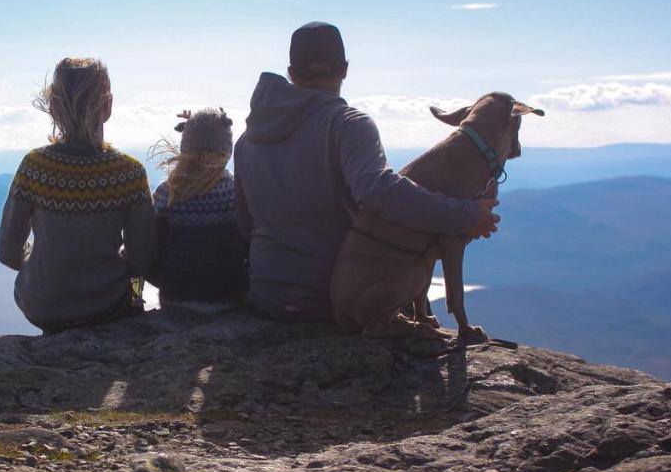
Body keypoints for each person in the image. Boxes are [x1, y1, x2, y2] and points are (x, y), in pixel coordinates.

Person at [233, 22, 500, 322]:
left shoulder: (247, 140)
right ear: (344, 69)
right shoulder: (347, 125)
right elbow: (379, 192)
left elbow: (244, 226)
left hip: (267, 297)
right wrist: (465, 215)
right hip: (337, 299)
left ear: (291, 73)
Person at [0, 57, 157, 333]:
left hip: (42, 306)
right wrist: (134, 300)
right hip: (109, 307)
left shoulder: (35, 166)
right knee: (134, 286)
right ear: (107, 105)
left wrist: (43, 263)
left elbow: (8, 253)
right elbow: (141, 259)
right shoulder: (129, 173)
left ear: (53, 106)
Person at [147, 108, 249, 310]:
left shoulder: (167, 193)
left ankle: (142, 298)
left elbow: (148, 251)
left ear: (185, 149)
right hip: (232, 301)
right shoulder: (237, 193)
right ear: (226, 152)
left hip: (176, 302)